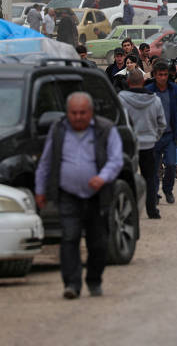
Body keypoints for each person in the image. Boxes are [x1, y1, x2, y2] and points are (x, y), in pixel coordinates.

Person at [35, 92, 122, 299]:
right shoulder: (59, 129)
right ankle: (72, 284)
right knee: (69, 238)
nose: (78, 117)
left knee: (98, 242)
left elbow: (116, 159)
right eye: (74, 113)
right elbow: (46, 162)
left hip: (97, 195)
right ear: (68, 113)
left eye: (82, 113)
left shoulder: (105, 129)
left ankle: (94, 280)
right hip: (68, 194)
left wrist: (102, 177)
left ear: (90, 113)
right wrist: (40, 190)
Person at [118, 70, 167, 219]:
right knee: (150, 178)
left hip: (128, 146)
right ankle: (151, 210)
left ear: (128, 82)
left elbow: (118, 120)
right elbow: (162, 124)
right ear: (143, 82)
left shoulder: (121, 99)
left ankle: (127, 211)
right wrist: (154, 137)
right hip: (149, 144)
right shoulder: (155, 100)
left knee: (127, 177)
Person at [145, 61, 177, 203]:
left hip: (170, 134)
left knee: (171, 164)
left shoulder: (174, 89)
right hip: (154, 136)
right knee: (155, 168)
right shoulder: (149, 90)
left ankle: (168, 190)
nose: (162, 78)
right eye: (159, 75)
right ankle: (155, 194)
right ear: (154, 75)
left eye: (164, 75)